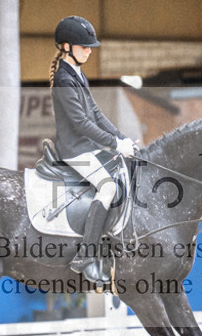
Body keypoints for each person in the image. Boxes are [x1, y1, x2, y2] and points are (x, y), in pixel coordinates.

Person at [50, 15, 137, 285]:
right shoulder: (64, 80)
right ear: (66, 47)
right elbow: (81, 123)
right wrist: (114, 144)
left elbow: (96, 114)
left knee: (124, 174)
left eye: (90, 47)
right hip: (74, 151)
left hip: (87, 148)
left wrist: (123, 138)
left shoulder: (77, 74)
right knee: (108, 187)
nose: (89, 51)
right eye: (84, 46)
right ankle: (86, 256)